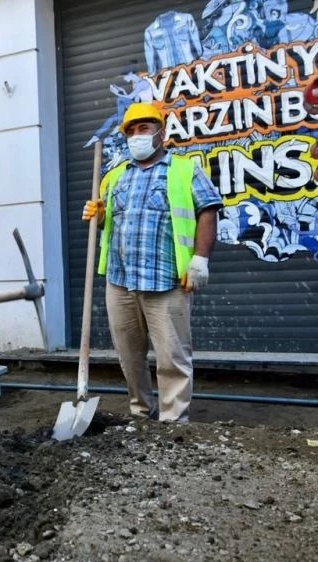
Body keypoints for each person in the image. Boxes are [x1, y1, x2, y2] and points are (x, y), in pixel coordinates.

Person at [82, 102, 222, 424]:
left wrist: (200, 260)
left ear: (161, 133)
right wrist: (101, 217)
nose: (136, 136)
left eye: (143, 129)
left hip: (166, 282)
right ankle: (140, 414)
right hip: (120, 283)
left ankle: (173, 424)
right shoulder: (114, 176)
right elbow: (111, 224)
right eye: (130, 131)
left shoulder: (185, 170)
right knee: (129, 357)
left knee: (172, 357)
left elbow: (208, 211)